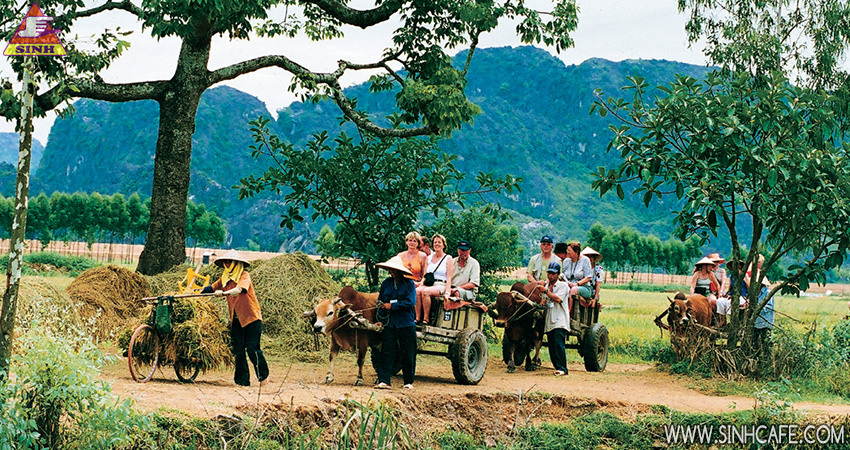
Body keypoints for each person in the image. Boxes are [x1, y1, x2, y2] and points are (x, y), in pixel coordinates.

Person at [202, 250, 269, 387]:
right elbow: (212, 288)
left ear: (236, 263)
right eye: (226, 262)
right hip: (237, 320)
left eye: (230, 262)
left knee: (252, 349)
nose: (227, 264)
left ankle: (263, 376)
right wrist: (198, 292)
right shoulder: (224, 278)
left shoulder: (244, 275)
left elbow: (239, 290)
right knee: (238, 350)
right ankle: (242, 381)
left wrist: (223, 293)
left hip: (251, 318)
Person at [374, 256, 417, 390]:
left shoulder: (409, 284)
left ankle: (408, 382)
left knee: (408, 352)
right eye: (390, 270)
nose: (391, 272)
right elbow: (380, 302)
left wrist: (393, 306)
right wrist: (380, 320)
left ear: (399, 271)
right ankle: (384, 380)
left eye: (394, 270)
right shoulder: (386, 284)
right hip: (390, 323)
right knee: (387, 351)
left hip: (406, 322)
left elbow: (410, 302)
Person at [415, 234, 454, 325]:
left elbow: (449, 277)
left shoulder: (448, 258)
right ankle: (417, 318)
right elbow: (425, 275)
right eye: (435, 242)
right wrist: (420, 284)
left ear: (443, 245)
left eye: (439, 242)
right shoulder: (428, 258)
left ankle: (426, 318)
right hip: (429, 283)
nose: (437, 244)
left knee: (426, 292)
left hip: (441, 284)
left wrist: (447, 292)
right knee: (417, 291)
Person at [541, 262, 570, 376]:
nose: (550, 275)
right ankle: (557, 367)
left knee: (558, 343)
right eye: (549, 273)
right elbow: (544, 300)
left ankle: (563, 368)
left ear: (558, 274)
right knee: (552, 345)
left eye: (553, 273)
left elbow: (558, 299)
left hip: (560, 319)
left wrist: (545, 291)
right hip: (550, 319)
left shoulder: (563, 286)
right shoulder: (547, 286)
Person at [561, 242, 593, 312]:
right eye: (567, 250)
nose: (567, 252)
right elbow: (562, 275)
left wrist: (576, 284)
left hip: (584, 287)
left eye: (569, 251)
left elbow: (588, 277)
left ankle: (568, 313)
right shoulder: (566, 261)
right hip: (568, 285)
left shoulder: (585, 260)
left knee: (573, 290)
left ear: (576, 252)